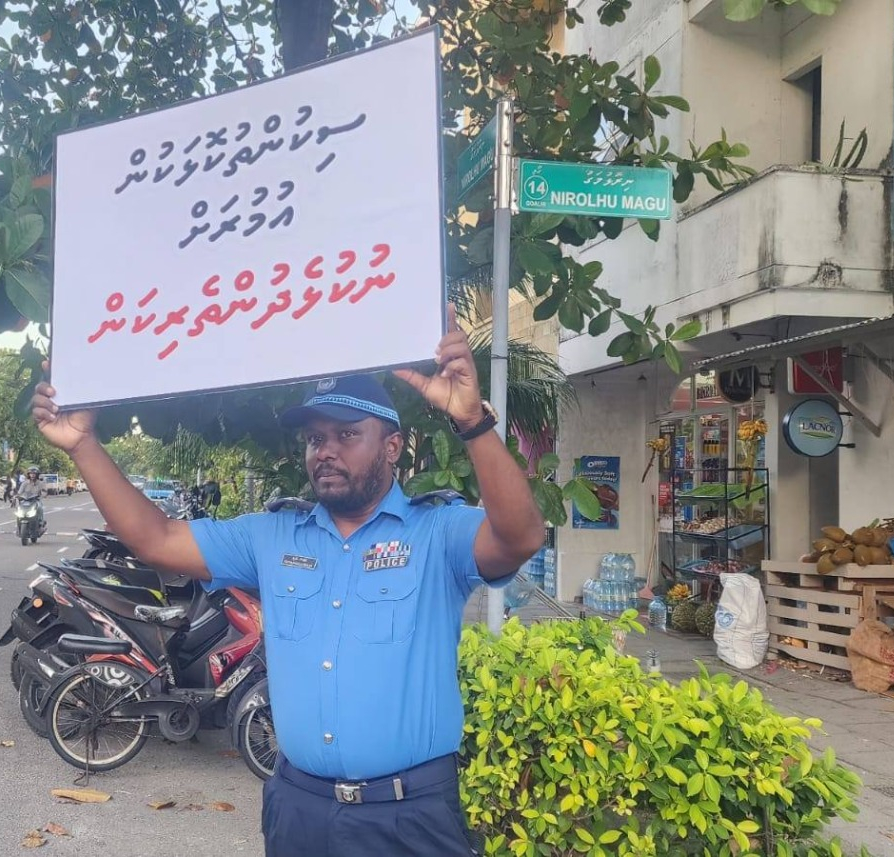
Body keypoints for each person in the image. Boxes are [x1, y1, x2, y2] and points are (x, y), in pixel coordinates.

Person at [31, 305, 545, 857]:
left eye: (347, 434)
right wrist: (83, 445)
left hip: (408, 816)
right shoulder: (272, 535)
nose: (326, 450)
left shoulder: (437, 532)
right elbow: (156, 539)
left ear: (392, 447)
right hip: (300, 810)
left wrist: (472, 423)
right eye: (315, 438)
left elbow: (520, 537)